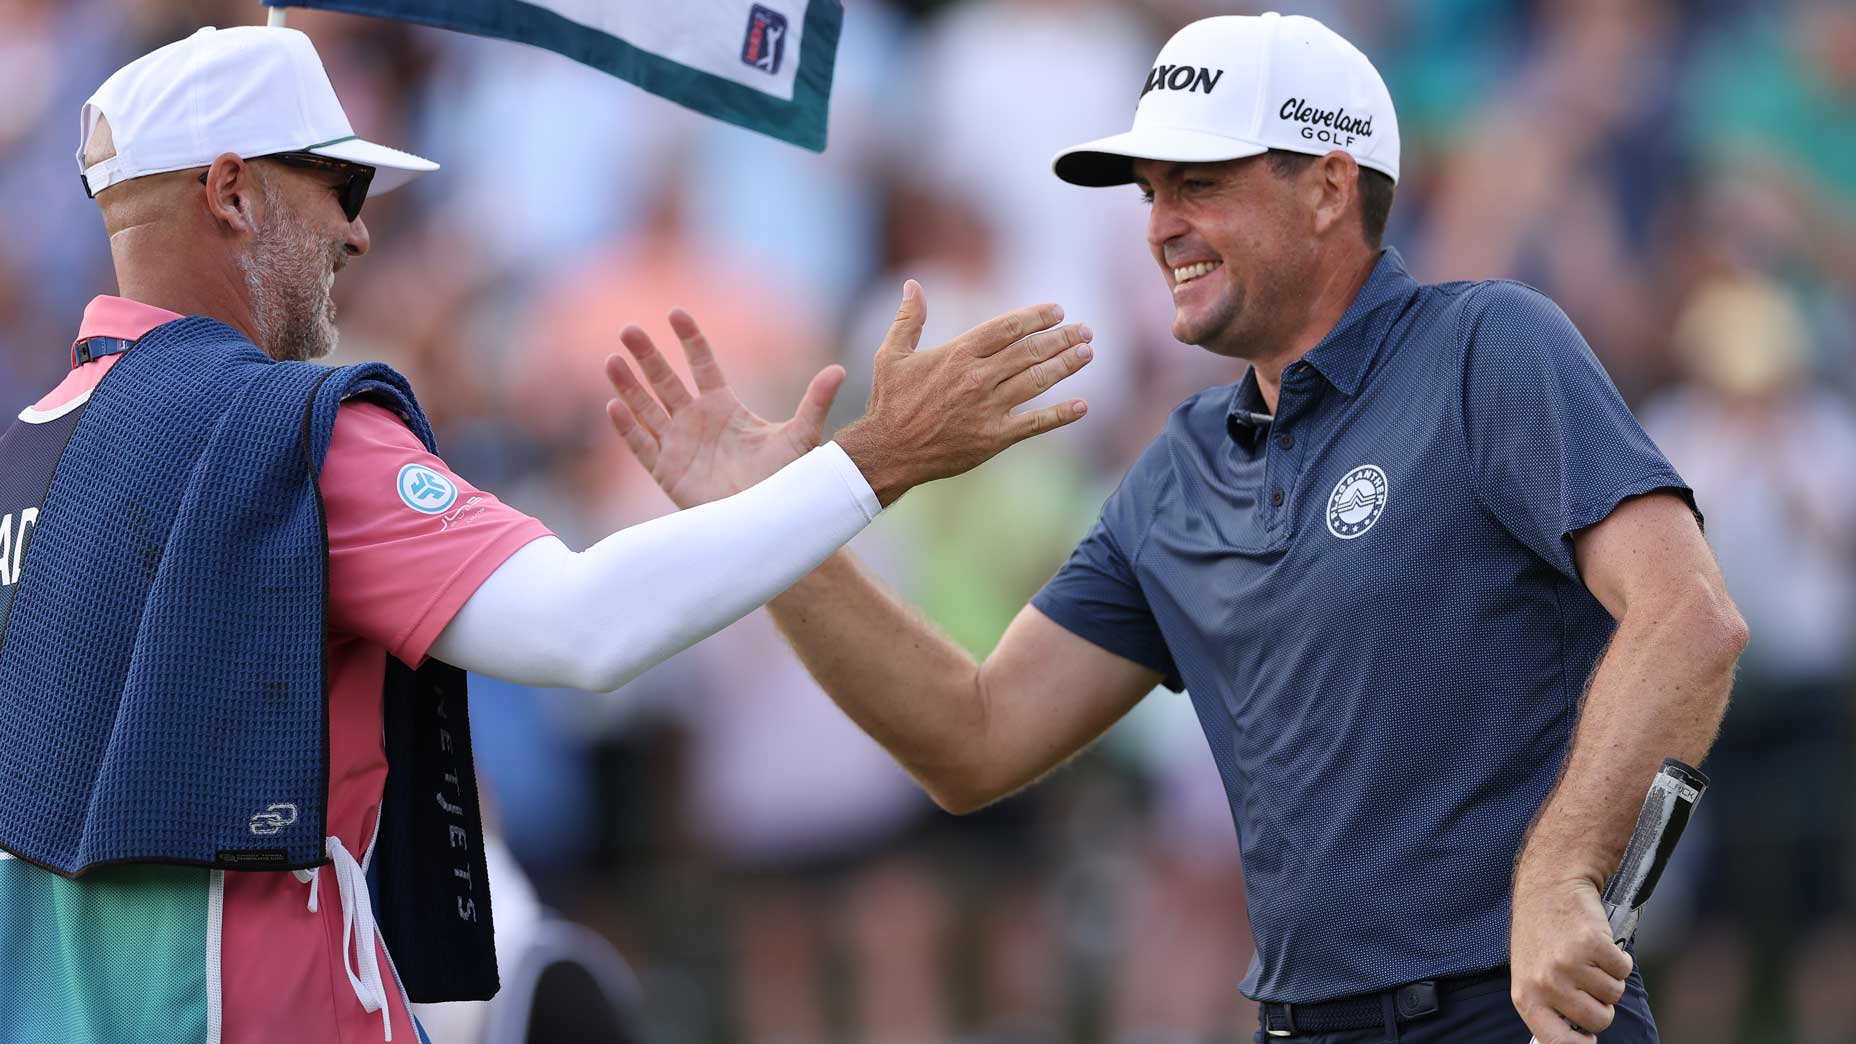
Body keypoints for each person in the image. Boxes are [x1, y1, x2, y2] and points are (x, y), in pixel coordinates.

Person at [604, 14, 1746, 1044]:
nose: (1158, 226)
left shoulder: (1483, 345)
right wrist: (767, 534)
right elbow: (973, 736)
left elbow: (1685, 615)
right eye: (1147, 190)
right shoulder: (1183, 465)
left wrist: (1561, 872)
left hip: (1510, 1017)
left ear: (1326, 187)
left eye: (1196, 183)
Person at [0, 24, 1093, 1044]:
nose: (361, 228)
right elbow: (585, 627)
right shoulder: (290, 433)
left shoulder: (21, 450)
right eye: (340, 183)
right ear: (231, 192)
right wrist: (876, 459)